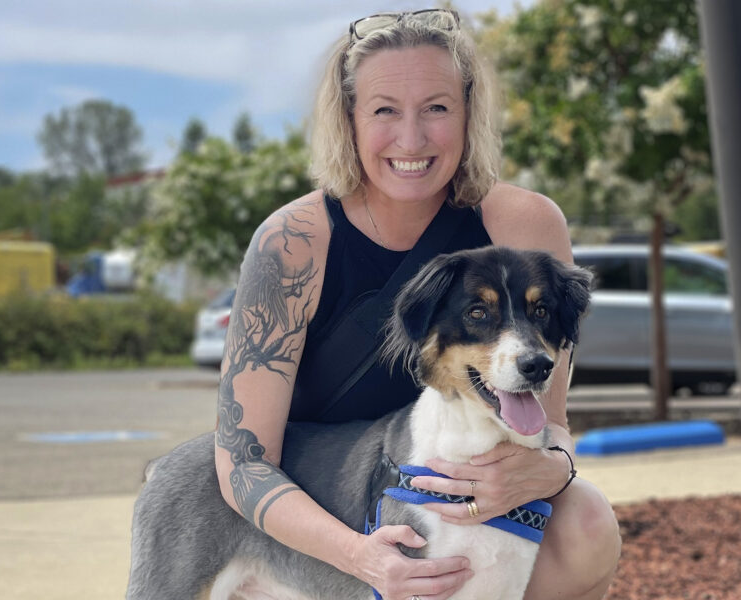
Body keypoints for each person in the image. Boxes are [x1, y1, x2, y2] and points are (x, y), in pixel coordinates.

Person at [215, 9, 621, 600]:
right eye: (384, 110)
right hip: (323, 506)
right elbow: (243, 462)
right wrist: (360, 556)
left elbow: (546, 420)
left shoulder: (524, 223)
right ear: (348, 119)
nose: (412, 139)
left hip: (461, 495)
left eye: (436, 107)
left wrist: (555, 463)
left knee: (584, 521)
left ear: (467, 113)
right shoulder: (292, 243)